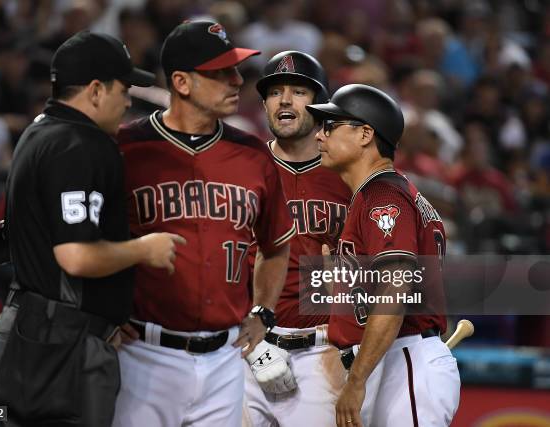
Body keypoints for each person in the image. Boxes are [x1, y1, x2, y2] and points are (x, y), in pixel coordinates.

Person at [0, 31, 184, 427]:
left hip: (36, 328)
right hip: (60, 345)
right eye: (123, 89)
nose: (128, 101)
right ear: (96, 90)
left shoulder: (41, 130)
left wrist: (106, 307)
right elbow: (75, 256)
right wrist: (144, 249)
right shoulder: (79, 145)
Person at [111, 21, 294, 427]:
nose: (236, 80)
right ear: (181, 82)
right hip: (143, 353)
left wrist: (263, 311)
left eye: (236, 70)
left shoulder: (253, 155)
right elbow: (88, 239)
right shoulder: (125, 148)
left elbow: (277, 246)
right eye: (219, 73)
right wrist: (102, 310)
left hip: (226, 360)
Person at [306, 84, 460, 427]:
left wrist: (356, 381)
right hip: (393, 357)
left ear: (364, 134)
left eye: (330, 126)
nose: (319, 136)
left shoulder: (383, 195)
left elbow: (395, 292)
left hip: (404, 359)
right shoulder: (385, 192)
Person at [243, 51, 351, 427]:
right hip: (246, 345)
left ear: (321, 106)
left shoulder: (352, 172)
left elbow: (405, 265)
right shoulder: (243, 169)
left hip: (322, 352)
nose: (284, 100)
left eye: (298, 91)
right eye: (275, 92)